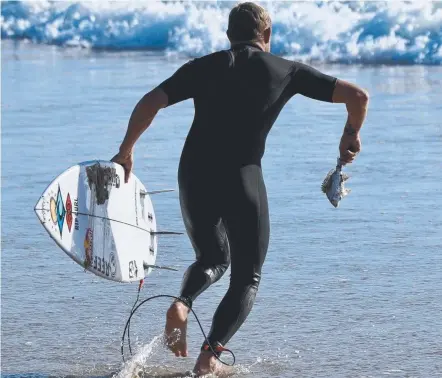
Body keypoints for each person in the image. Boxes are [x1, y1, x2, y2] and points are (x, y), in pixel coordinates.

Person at [112, 2, 369, 376]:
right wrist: (350, 136)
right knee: (247, 275)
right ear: (267, 35)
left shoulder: (203, 66)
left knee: (212, 258)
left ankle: (182, 303)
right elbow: (358, 97)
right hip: (241, 176)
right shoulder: (286, 70)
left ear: (228, 35)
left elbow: (152, 101)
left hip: (194, 173)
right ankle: (208, 358)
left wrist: (126, 150)